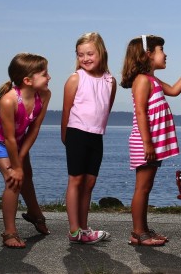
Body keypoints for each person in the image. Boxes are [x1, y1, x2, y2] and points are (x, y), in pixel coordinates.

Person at [120, 34, 181, 246]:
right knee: (142, 188)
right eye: (161, 50)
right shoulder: (142, 81)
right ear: (148, 55)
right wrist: (147, 143)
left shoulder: (152, 79)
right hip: (146, 143)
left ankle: (143, 229)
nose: (165, 54)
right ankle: (138, 232)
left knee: (146, 187)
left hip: (152, 143)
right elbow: (141, 112)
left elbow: (174, 90)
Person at [0, 53, 52, 248]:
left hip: (18, 140)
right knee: (13, 180)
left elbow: (34, 129)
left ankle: (35, 214)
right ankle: (9, 232)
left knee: (26, 175)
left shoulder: (44, 95)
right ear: (27, 80)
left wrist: (20, 160)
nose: (50, 77)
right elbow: (8, 138)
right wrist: (16, 166)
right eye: (45, 74)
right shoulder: (9, 101)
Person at [61, 32, 117, 244]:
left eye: (90, 53)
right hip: (76, 133)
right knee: (75, 180)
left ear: (101, 53)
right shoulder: (76, 78)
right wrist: (65, 137)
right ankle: (74, 230)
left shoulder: (110, 81)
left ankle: (85, 228)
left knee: (90, 182)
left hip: (96, 136)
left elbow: (107, 108)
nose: (85, 58)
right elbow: (66, 110)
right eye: (81, 54)